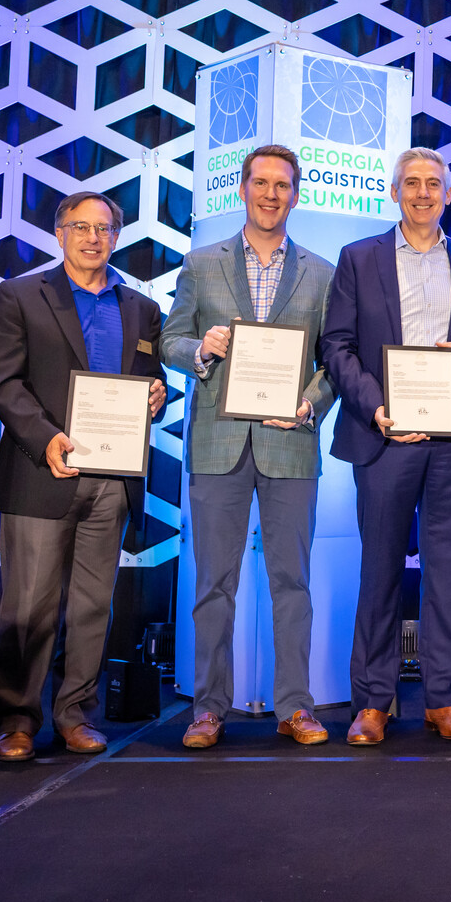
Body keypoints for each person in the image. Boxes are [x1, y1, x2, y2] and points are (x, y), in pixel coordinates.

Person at [319, 148, 451, 746]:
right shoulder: (359, 258)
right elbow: (337, 345)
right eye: (412, 183)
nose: (423, 192)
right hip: (384, 435)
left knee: (447, 575)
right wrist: (376, 407)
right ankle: (373, 701)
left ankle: (444, 702)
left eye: (434, 184)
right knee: (380, 572)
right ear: (394, 193)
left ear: (448, 196)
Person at [162, 145, 337, 750]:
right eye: (260, 183)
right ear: (241, 189)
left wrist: (311, 403)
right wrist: (201, 350)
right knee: (214, 584)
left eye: (282, 185)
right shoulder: (201, 263)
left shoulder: (321, 272)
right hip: (218, 445)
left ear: (296, 194)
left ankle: (295, 707)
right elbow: (170, 340)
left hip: (291, 444)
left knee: (293, 583)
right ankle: (209, 710)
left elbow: (334, 360)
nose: (271, 195)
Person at [0, 192, 167, 762]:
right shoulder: (19, 296)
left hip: (111, 479)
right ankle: (16, 720)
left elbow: (147, 375)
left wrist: (156, 392)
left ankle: (75, 715)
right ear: (58, 233)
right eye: (80, 227)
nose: (93, 238)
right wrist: (46, 438)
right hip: (44, 472)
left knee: (92, 606)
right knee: (28, 608)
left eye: (104, 229)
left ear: (116, 236)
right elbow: (3, 384)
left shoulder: (140, 307)